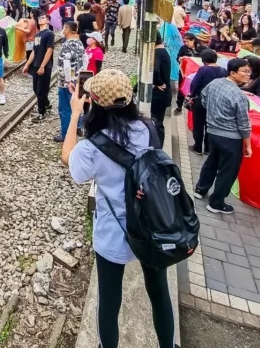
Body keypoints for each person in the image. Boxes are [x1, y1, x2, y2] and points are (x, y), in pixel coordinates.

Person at [61, 69, 177, 348]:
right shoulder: (148, 128)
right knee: (159, 291)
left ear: (94, 102)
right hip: (152, 225)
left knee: (109, 300)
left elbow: (67, 158)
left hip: (114, 232)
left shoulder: (91, 147)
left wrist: (76, 112)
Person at [193, 58, 253, 214]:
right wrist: (248, 144)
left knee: (211, 162)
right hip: (231, 138)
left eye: (249, 71)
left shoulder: (215, 83)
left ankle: (200, 189)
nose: (248, 75)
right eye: (245, 71)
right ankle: (216, 203)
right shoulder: (238, 96)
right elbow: (244, 123)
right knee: (227, 171)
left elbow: (203, 97)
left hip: (212, 132)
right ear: (233, 73)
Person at [187, 49, 227, 156]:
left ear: (203, 59)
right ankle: (208, 148)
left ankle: (198, 147)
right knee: (210, 125)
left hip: (201, 101)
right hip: (215, 102)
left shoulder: (203, 69)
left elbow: (195, 84)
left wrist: (191, 95)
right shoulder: (223, 71)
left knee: (198, 125)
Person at [54, 21, 86, 142]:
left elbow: (66, 65)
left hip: (67, 83)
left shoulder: (67, 45)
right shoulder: (79, 43)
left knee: (65, 108)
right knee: (75, 106)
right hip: (78, 79)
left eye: (64, 28)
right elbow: (85, 59)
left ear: (67, 30)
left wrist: (68, 81)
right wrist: (82, 74)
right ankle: (77, 126)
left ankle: (65, 133)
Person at [24, 12, 55, 121]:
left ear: (47, 20)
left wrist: (42, 66)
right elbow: (34, 51)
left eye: (43, 18)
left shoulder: (49, 34)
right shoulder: (38, 35)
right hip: (35, 65)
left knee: (41, 90)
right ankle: (46, 103)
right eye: (39, 18)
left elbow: (49, 50)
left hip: (45, 66)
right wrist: (27, 64)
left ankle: (41, 113)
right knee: (36, 89)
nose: (40, 19)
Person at [151, 34, 173, 147]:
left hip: (159, 95)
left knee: (157, 122)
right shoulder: (163, 52)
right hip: (164, 95)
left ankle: (158, 147)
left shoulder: (158, 53)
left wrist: (158, 82)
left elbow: (155, 71)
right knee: (158, 121)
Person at [174, 32, 203, 115]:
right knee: (182, 88)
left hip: (197, 73)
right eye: (185, 42)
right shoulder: (183, 48)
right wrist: (181, 59)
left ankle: (193, 104)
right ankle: (179, 106)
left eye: (188, 42)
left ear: (193, 40)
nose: (186, 44)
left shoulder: (201, 48)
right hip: (185, 73)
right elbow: (178, 58)